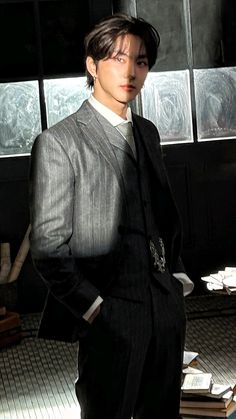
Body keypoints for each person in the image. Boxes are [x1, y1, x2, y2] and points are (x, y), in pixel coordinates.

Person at [29, 13, 194, 419]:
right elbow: (48, 247)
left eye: (140, 61)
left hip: (165, 312)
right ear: (92, 64)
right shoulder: (59, 142)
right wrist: (96, 308)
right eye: (118, 58)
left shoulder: (148, 132)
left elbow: (158, 214)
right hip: (110, 318)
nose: (131, 71)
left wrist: (175, 278)